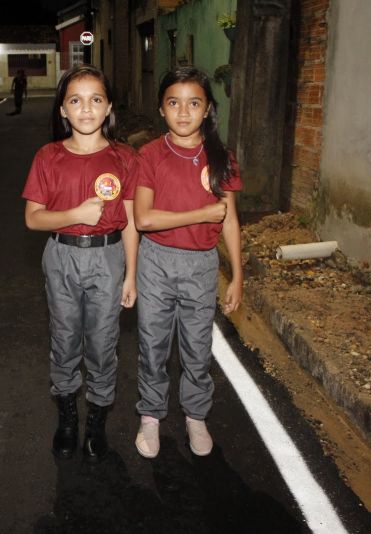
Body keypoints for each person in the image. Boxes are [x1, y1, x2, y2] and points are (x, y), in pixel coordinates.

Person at [22, 65, 139, 462]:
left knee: (103, 343)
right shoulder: (48, 156)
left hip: (108, 258)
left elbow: (131, 222)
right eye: (75, 100)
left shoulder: (124, 157)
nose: (86, 109)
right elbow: (33, 217)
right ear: (63, 111)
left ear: (108, 108)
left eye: (95, 100)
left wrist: (131, 276)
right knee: (65, 338)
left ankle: (97, 421)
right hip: (62, 256)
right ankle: (68, 416)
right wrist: (75, 214)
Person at [133, 66, 243, 459]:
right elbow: (144, 219)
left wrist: (237, 275)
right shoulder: (149, 155)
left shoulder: (220, 157)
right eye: (173, 103)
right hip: (157, 262)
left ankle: (196, 415)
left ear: (207, 109)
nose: (183, 112)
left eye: (193, 103)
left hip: (201, 264)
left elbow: (229, 218)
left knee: (198, 348)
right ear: (162, 109)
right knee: (153, 345)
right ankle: (150, 416)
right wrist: (201, 214)